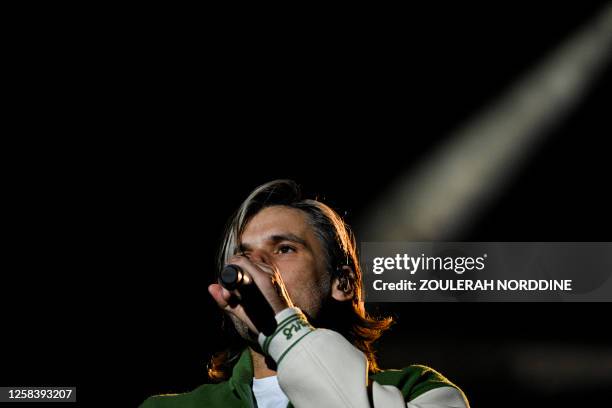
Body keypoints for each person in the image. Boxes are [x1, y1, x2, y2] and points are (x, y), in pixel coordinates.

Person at [140, 180, 469, 407]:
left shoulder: (419, 390)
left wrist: (284, 326)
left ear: (343, 284)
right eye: (245, 254)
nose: (255, 265)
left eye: (283, 248)